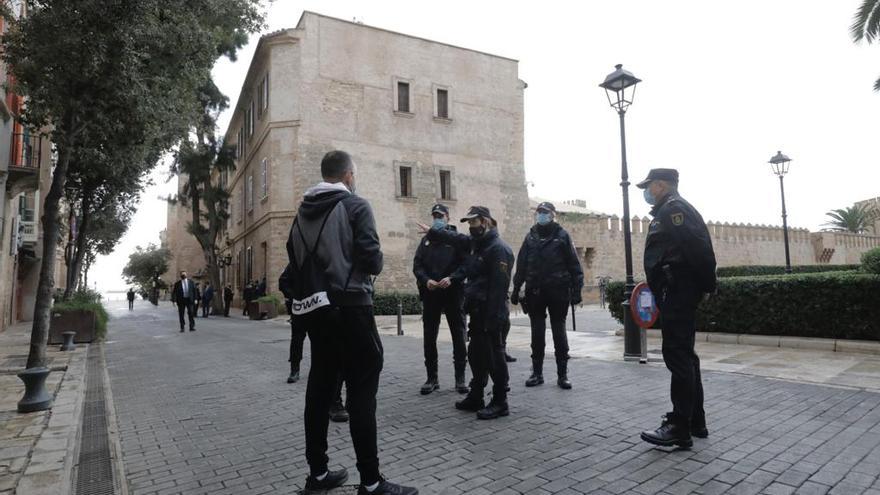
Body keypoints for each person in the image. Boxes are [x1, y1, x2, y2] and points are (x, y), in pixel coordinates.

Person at [285, 150, 417, 494]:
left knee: (319, 389)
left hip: (316, 311)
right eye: (353, 175)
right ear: (348, 176)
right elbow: (372, 261)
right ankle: (371, 482)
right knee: (362, 394)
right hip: (352, 307)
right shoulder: (356, 206)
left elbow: (293, 266)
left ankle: (317, 475)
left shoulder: (300, 215)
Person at [636, 168, 717, 449]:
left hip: (679, 291)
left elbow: (699, 249)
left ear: (660, 185)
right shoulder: (668, 210)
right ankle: (696, 421)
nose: (646, 192)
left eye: (649, 186)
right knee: (686, 356)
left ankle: (679, 426)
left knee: (678, 356)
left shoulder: (674, 209)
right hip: (676, 290)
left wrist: (707, 286)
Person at [421, 206, 513, 420]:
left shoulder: (498, 249)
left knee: (494, 357)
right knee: (476, 355)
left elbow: (499, 289)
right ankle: (476, 395)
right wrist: (432, 232)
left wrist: (493, 318)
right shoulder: (477, 245)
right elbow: (455, 239)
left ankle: (500, 401)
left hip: (491, 314)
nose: (471, 227)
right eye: (469, 223)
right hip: (477, 312)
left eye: (474, 222)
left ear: (486, 222)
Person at [510, 202, 584, 390]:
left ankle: (562, 374)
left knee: (559, 332)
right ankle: (537, 373)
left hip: (558, 291)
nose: (541, 215)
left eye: (545, 212)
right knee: (537, 333)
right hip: (535, 291)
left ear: (553, 215)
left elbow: (574, 265)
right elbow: (522, 264)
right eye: (539, 212)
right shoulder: (530, 237)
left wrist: (577, 290)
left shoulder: (562, 236)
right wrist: (517, 287)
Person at [279, 263, 350, 423]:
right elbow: (283, 282)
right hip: (301, 308)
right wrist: (295, 296)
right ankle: (294, 369)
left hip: (323, 309)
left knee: (328, 352)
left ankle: (334, 399)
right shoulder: (295, 265)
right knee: (297, 340)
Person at [412, 203, 469, 395]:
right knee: (429, 336)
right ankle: (432, 378)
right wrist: (425, 280)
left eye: (441, 216)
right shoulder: (426, 240)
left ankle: (460, 379)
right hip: (431, 294)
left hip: (453, 293)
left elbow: (466, 265)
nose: (437, 219)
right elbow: (417, 265)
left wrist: (452, 278)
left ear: (448, 218)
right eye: (435, 216)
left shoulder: (456, 239)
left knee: (459, 335)